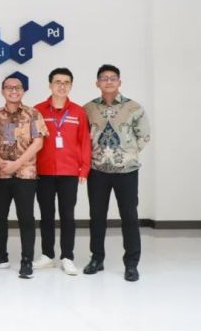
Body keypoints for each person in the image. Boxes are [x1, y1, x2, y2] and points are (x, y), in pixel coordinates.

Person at [83, 64, 150, 282]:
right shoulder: (88, 109)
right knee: (97, 216)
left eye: (113, 78)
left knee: (129, 216)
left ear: (119, 82)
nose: (109, 81)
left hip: (126, 171)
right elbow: (82, 138)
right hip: (97, 170)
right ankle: (97, 258)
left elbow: (144, 135)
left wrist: (127, 154)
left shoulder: (134, 107)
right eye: (104, 78)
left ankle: (131, 263)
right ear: (97, 83)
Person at [0, 75, 47, 279]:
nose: (13, 91)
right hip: (0, 174)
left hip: (25, 174)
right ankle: (0, 256)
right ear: (2, 91)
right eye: (9, 88)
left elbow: (38, 143)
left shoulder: (33, 114)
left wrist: (17, 164)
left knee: (26, 218)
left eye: (17, 87)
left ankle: (27, 260)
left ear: (23, 91)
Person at [33, 68, 91, 276]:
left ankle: (67, 256)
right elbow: (32, 141)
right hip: (43, 171)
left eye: (66, 82)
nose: (62, 86)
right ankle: (47, 255)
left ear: (71, 86)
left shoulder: (78, 112)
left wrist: (84, 168)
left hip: (69, 172)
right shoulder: (37, 110)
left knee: (67, 215)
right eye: (57, 82)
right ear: (50, 85)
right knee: (46, 215)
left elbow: (84, 142)